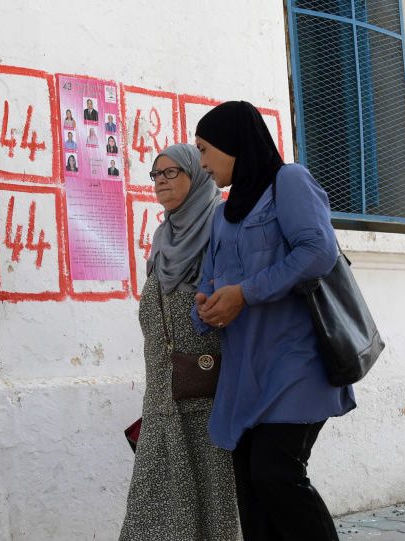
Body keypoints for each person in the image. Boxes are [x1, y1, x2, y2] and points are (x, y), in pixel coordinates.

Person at [191, 101, 355, 541]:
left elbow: (318, 251)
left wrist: (246, 293)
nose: (202, 162)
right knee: (252, 492)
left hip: (296, 362)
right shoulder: (223, 214)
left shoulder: (289, 181)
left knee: (275, 473)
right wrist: (205, 307)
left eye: (206, 149)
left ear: (233, 145)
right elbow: (208, 278)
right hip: (245, 374)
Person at [120, 143, 239, 540]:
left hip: (206, 399)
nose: (160, 183)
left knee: (211, 509)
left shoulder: (219, 230)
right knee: (151, 515)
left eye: (172, 173)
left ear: (198, 175)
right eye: (156, 174)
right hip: (162, 403)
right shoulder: (162, 239)